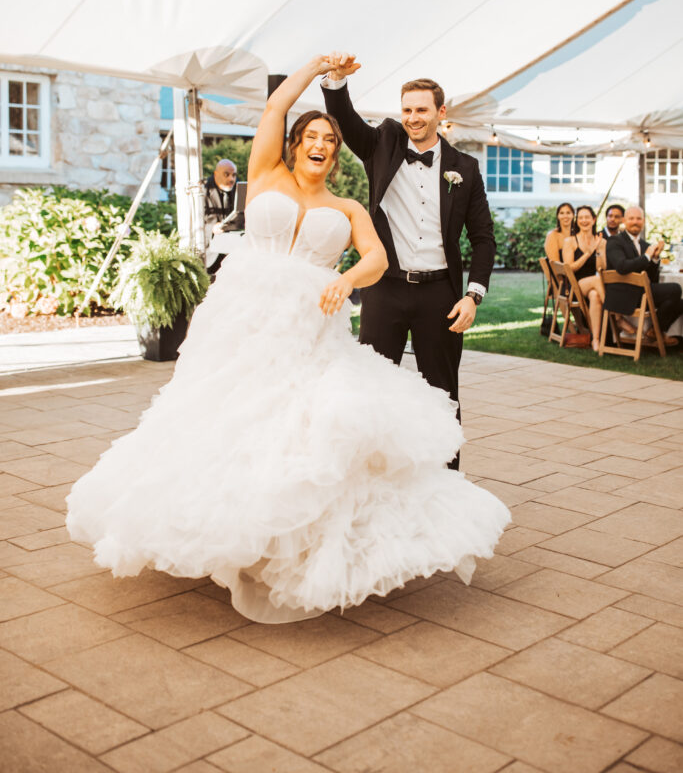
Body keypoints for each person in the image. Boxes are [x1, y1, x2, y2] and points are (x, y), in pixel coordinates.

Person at [66, 54, 510, 624]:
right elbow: (276, 105)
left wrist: (346, 280)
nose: (322, 144)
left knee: (310, 425)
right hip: (243, 321)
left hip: (311, 330)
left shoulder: (349, 206)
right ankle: (225, 529)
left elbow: (375, 257)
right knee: (226, 418)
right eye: (313, 136)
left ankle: (301, 533)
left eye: (330, 139)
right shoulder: (267, 175)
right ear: (296, 144)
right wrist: (319, 71)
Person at [321, 56, 496, 470]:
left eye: (421, 110)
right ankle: (367, 481)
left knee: (442, 394)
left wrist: (473, 295)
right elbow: (343, 117)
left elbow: (484, 239)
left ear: (441, 112)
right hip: (386, 288)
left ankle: (447, 491)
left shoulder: (465, 169)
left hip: (441, 294)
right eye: (407, 110)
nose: (413, 118)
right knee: (371, 387)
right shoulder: (382, 143)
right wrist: (336, 81)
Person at [605, 205, 683, 346]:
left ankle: (656, 331)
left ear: (644, 221)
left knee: (680, 302)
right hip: (624, 295)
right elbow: (622, 267)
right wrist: (647, 256)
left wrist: (654, 258)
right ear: (624, 220)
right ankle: (657, 332)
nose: (635, 222)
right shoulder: (614, 241)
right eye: (631, 218)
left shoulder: (644, 244)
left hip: (642, 293)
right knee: (676, 288)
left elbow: (651, 279)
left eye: (639, 219)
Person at [562, 204, 606, 351]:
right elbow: (569, 268)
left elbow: (602, 268)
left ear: (593, 220)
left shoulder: (601, 241)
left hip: (593, 285)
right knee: (597, 280)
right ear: (577, 221)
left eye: (587, 217)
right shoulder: (570, 241)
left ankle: (595, 340)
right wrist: (588, 252)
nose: (584, 220)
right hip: (574, 285)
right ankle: (615, 315)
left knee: (595, 295)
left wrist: (598, 250)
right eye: (580, 217)